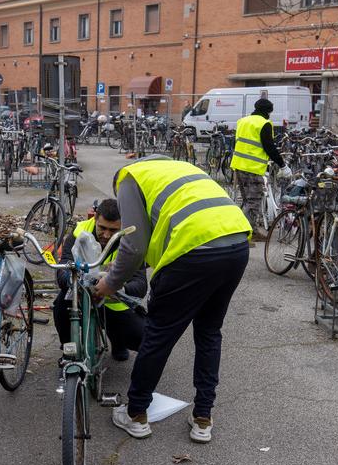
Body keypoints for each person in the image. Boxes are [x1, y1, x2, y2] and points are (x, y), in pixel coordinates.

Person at [95, 155, 251, 444]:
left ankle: (136, 413)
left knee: (159, 334)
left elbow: (133, 245)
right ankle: (203, 418)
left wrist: (109, 283)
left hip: (193, 252)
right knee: (209, 332)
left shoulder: (129, 178)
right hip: (236, 243)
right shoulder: (178, 168)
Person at [52, 199, 146, 361]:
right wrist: (73, 282)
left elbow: (141, 284)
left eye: (113, 230)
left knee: (143, 338)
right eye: (102, 228)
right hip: (81, 298)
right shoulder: (79, 232)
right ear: (95, 218)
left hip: (113, 304)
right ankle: (69, 353)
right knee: (60, 306)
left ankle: (118, 341)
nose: (107, 235)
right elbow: (63, 268)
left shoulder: (130, 241)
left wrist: (120, 287)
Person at [230, 98, 284, 241]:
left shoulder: (243, 121)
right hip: (252, 168)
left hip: (238, 165)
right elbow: (269, 147)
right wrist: (282, 164)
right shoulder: (264, 124)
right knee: (253, 201)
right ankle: (246, 234)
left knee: (247, 201)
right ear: (268, 111)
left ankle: (246, 230)